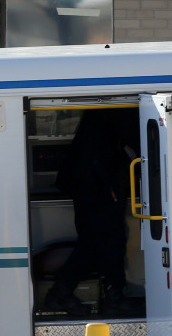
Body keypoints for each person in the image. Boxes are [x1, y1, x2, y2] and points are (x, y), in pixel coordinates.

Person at [44, 108, 142, 316]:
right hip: (100, 179)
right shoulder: (122, 109)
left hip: (88, 178)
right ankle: (111, 295)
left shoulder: (103, 112)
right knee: (109, 238)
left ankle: (63, 293)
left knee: (93, 241)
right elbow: (134, 142)